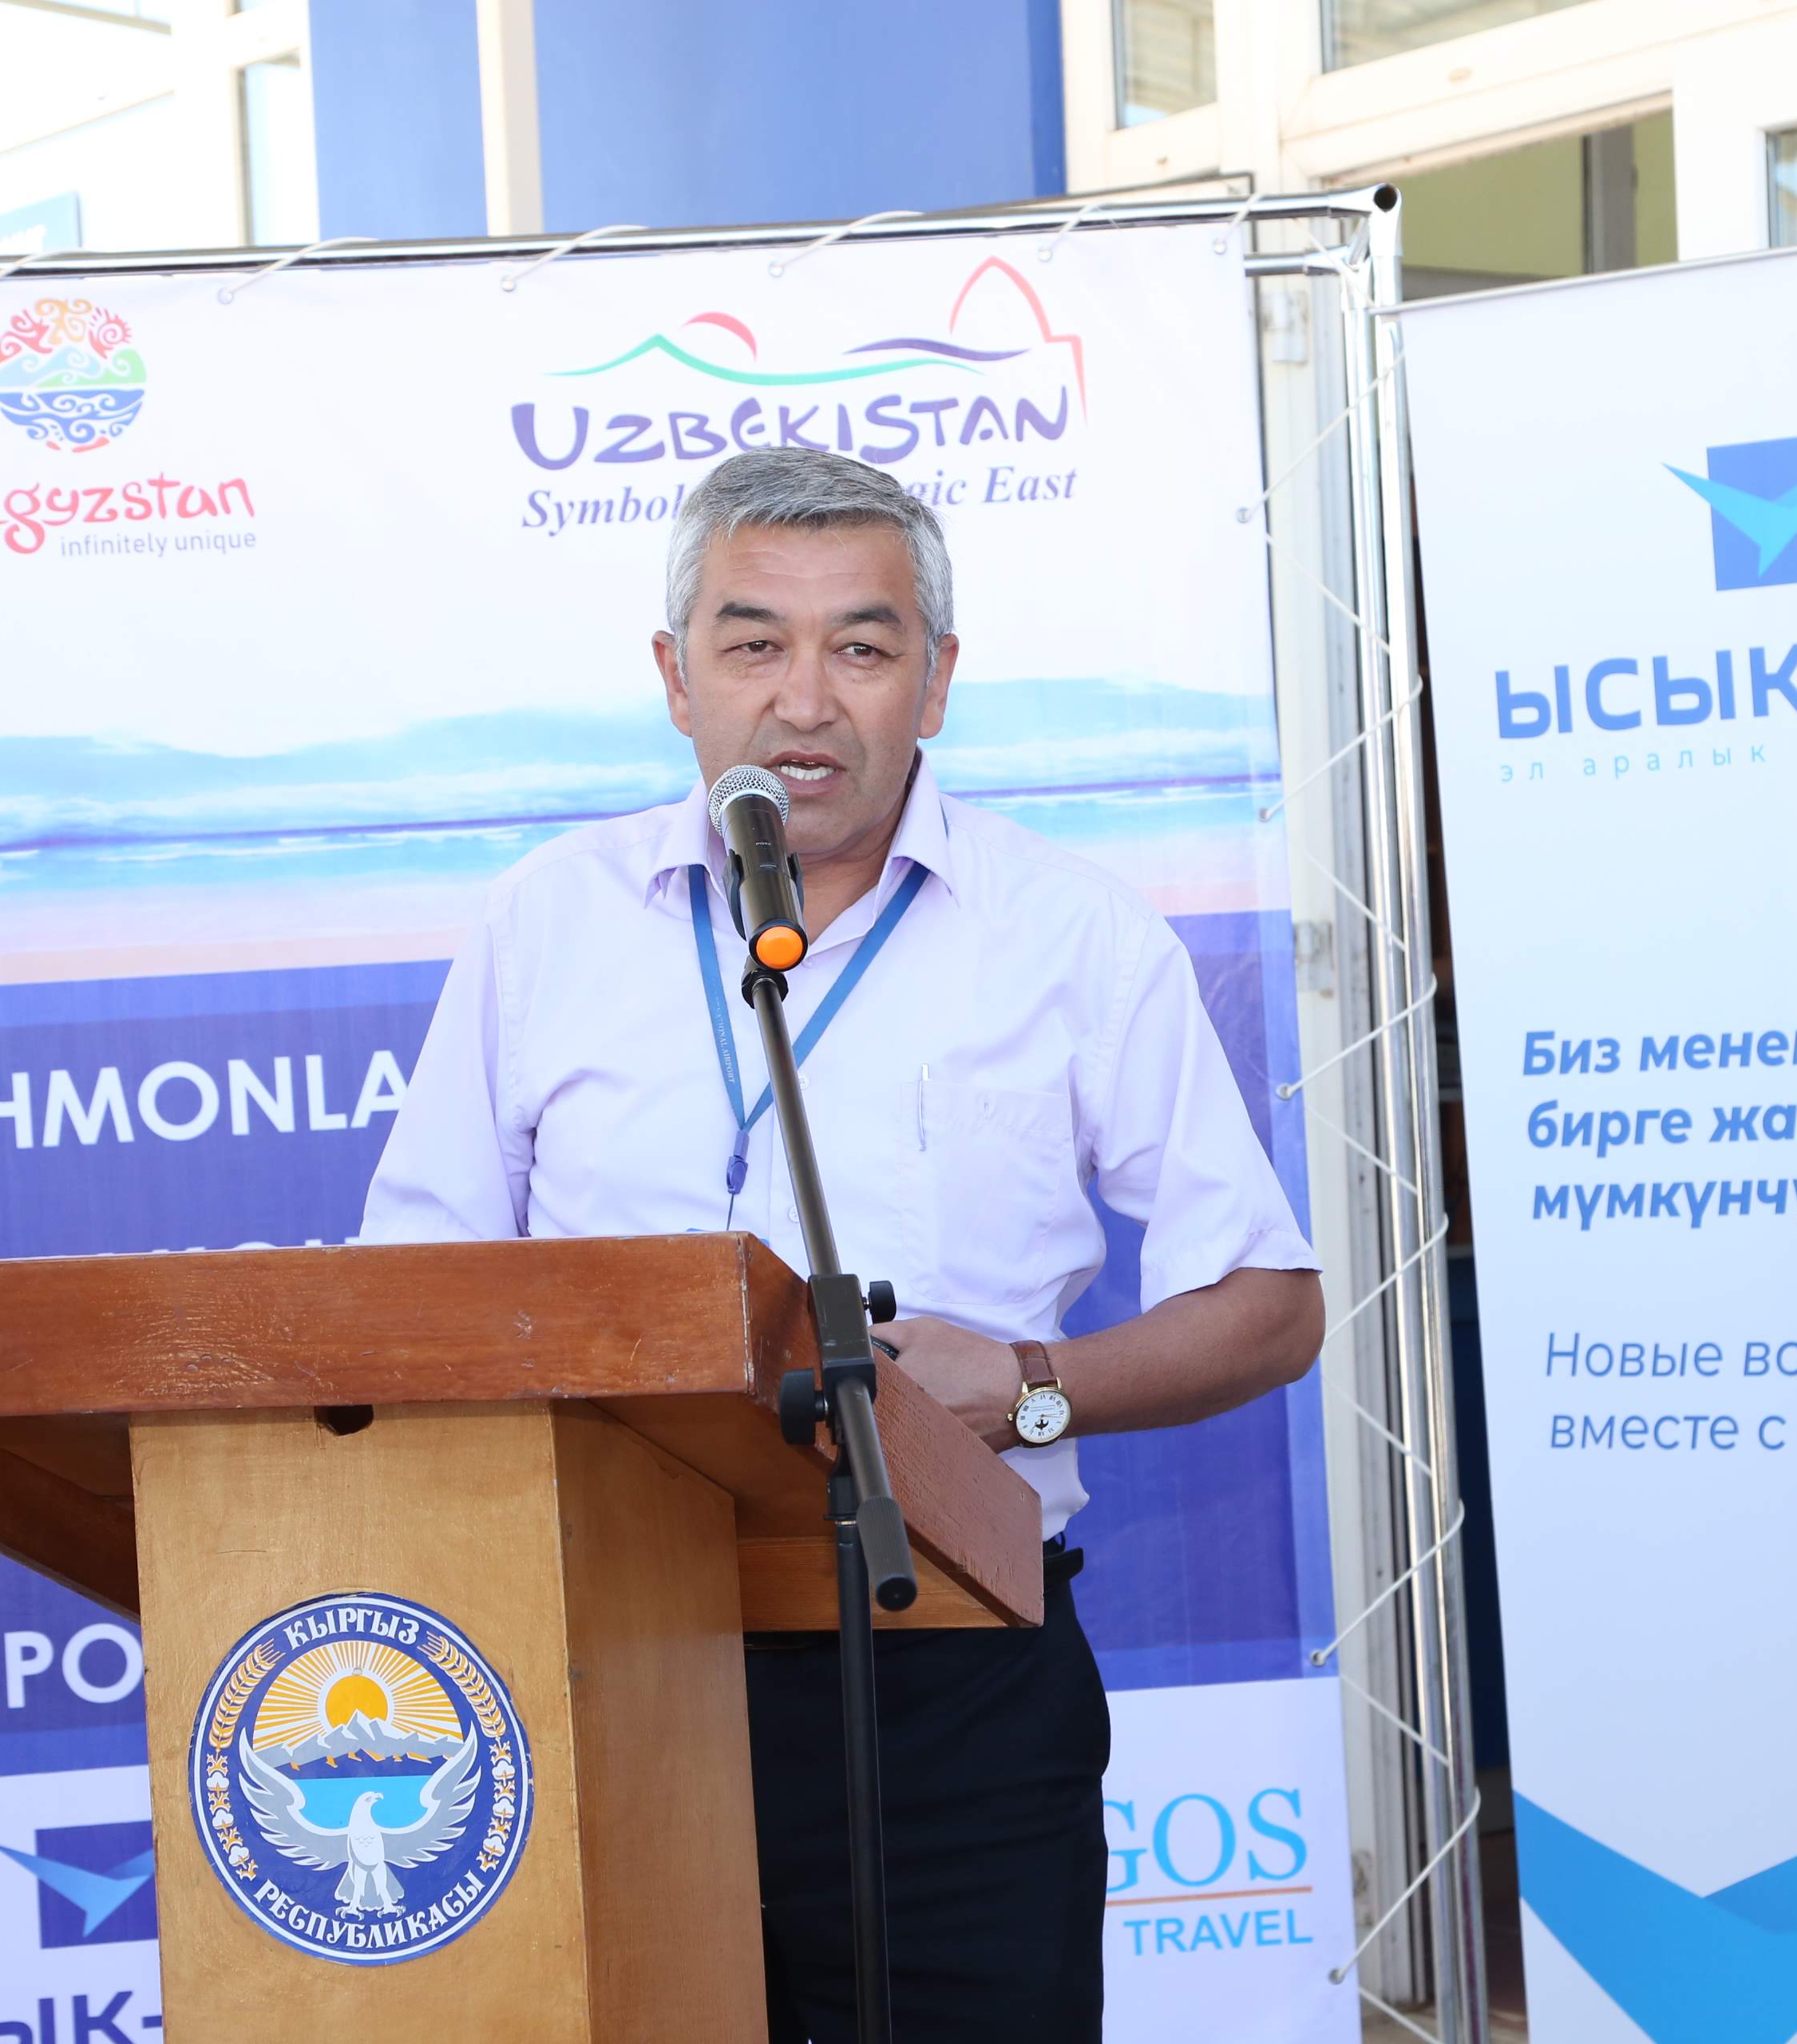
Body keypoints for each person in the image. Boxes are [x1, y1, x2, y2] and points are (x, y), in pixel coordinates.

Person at [361, 446, 1326, 2041]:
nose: (803, 700)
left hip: (956, 1681)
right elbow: (414, 1294)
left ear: (935, 679)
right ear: (676, 676)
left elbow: (1270, 1305)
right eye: (753, 644)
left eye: (861, 648)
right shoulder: (551, 919)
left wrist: (1027, 1386)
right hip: (603, 1664)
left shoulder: (1071, 933)